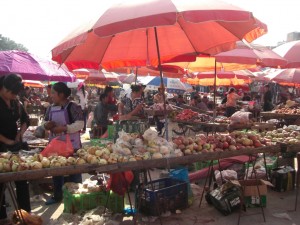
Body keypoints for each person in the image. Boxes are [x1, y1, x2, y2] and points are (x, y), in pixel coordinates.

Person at [44, 82, 84, 205]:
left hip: (72, 145)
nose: (51, 96)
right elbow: (44, 123)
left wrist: (64, 128)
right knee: (56, 171)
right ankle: (57, 196)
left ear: (61, 95)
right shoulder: (50, 108)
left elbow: (80, 124)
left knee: (74, 170)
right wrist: (47, 125)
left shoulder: (73, 107)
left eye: (53, 93)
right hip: (56, 145)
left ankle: (76, 197)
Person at [0, 74, 31, 220]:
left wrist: (20, 133)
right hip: (1, 147)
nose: (14, 96)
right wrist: (6, 141)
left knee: (22, 178)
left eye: (15, 94)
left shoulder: (15, 102)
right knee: (1, 183)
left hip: (15, 146)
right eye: (12, 93)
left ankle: (25, 215)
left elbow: (26, 119)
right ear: (4, 88)